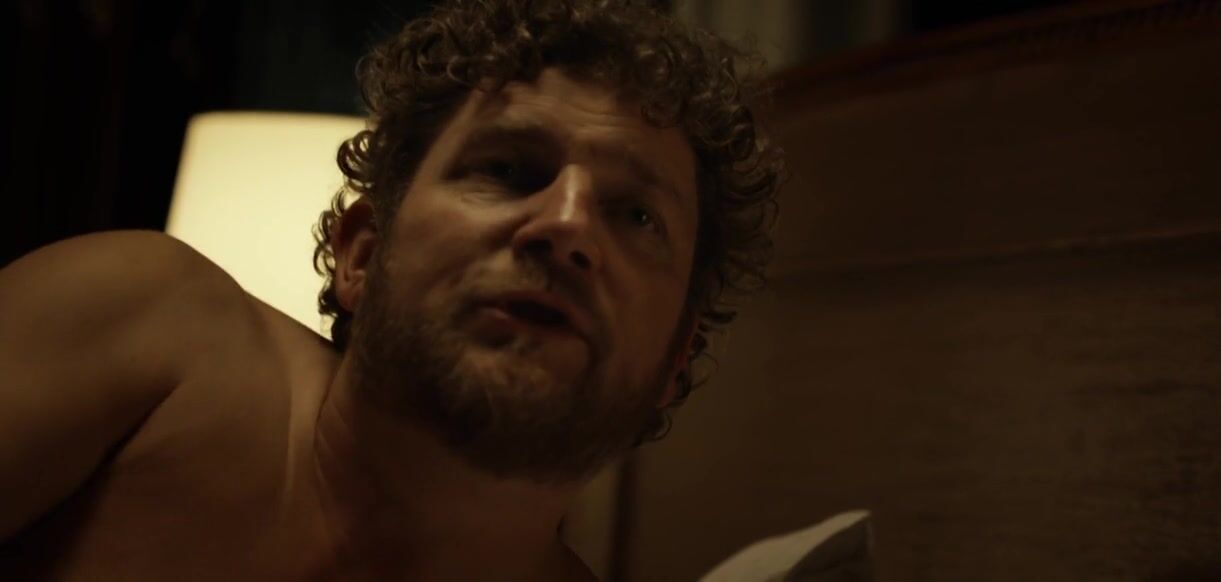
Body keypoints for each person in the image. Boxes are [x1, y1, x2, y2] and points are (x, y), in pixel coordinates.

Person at [0, 0, 783, 579]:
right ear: (363, 252)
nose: (567, 225)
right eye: (507, 169)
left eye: (636, 215)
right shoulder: (144, 323)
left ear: (675, 358)